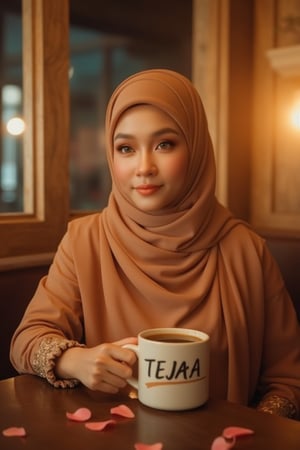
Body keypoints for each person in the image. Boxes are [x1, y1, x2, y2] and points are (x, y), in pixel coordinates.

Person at [10, 69, 300, 419]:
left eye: (165, 144)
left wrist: (257, 431)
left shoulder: (246, 250)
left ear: (195, 148)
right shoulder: (85, 240)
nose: (144, 167)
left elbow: (289, 380)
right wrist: (77, 360)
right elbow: (27, 340)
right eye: (126, 148)